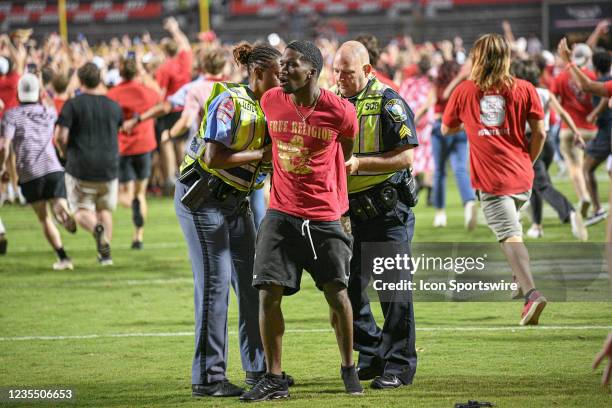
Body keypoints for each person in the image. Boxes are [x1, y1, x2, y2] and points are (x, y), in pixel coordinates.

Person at [242, 40, 362, 402]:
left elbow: (348, 149)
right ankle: (274, 377)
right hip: (280, 212)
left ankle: (347, 368)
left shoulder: (340, 111)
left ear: (312, 70)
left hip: (325, 214)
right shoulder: (271, 101)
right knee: (267, 291)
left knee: (337, 294)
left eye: (291, 64)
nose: (283, 70)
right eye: (282, 64)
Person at [174, 42, 281, 398]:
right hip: (203, 199)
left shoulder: (272, 106)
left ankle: (258, 369)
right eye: (278, 75)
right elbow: (213, 156)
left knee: (253, 284)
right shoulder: (230, 101)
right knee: (216, 284)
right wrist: (262, 153)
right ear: (258, 72)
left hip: (236, 202)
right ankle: (207, 376)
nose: (282, 82)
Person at [442, 34, 547, 326]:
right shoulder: (526, 88)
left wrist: (474, 125)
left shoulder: (465, 91)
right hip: (523, 174)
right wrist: (529, 159)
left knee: (509, 236)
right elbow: (540, 133)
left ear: (476, 59)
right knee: (514, 232)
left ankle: (531, 295)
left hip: (492, 180)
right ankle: (519, 279)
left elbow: (446, 129)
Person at [332, 41, 419, 389]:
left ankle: (399, 366)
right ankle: (373, 354)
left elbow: (406, 157)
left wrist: (360, 164)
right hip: (350, 214)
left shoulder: (389, 100)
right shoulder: (334, 101)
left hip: (387, 211)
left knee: (393, 293)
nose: (339, 78)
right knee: (346, 289)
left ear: (367, 71)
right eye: (336, 71)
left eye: (347, 72)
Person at [0, 73, 76, 270]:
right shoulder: (48, 111)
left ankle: (64, 258)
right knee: (57, 202)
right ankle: (63, 209)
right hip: (52, 167)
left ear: (18, 93)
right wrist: (43, 89)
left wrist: (2, 168)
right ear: (39, 93)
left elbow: (3, 147)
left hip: (29, 172)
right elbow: (49, 102)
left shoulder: (11, 115)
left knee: (43, 218)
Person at [509, 59, 587, 242]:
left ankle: (570, 212)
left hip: (530, 142)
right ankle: (537, 226)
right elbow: (562, 113)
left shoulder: (516, 93)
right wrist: (576, 132)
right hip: (548, 141)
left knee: (542, 185)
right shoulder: (544, 92)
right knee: (535, 184)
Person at [56, 62, 123, 265]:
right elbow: (117, 131)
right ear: (99, 79)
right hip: (109, 167)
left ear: (80, 80)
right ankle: (106, 256)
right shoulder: (114, 105)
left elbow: (61, 136)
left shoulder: (73, 104)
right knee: (104, 210)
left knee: (80, 210)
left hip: (81, 167)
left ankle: (96, 231)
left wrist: (64, 154)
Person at [107, 58, 161, 249]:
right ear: (136, 73)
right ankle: (138, 236)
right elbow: (160, 97)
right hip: (144, 145)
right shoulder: (146, 92)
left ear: (120, 73)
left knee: (124, 194)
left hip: (124, 147)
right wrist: (144, 74)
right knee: (140, 193)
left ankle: (133, 205)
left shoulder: (112, 94)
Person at [430, 60, 477, 229]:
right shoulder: (464, 83)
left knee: (440, 172)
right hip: (460, 128)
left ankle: (440, 213)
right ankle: (469, 203)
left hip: (441, 127)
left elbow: (438, 98)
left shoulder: (440, 84)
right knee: (460, 169)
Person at [553, 42, 598, 218]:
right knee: (589, 169)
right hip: (592, 129)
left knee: (575, 167)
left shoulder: (561, 77)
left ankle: (583, 197)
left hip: (569, 130)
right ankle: (594, 203)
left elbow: (554, 101)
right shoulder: (592, 75)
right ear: (587, 58)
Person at [582, 51, 611, 227]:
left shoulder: (601, 82)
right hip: (605, 130)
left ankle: (598, 210)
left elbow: (603, 95)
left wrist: (594, 113)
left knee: (586, 168)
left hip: (607, 130)